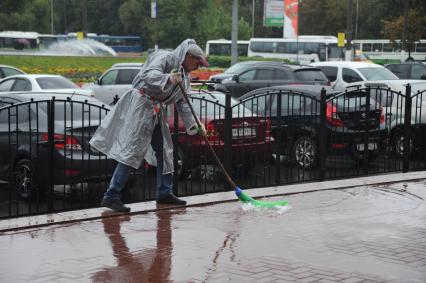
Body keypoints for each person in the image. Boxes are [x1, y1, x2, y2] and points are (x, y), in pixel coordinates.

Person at [90, 39, 208, 212]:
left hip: (156, 111)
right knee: (132, 150)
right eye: (198, 62)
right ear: (189, 57)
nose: (199, 67)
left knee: (166, 152)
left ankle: (164, 192)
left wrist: (196, 125)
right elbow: (148, 75)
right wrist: (167, 78)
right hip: (141, 106)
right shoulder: (164, 57)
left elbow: (183, 103)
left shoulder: (185, 77)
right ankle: (111, 196)